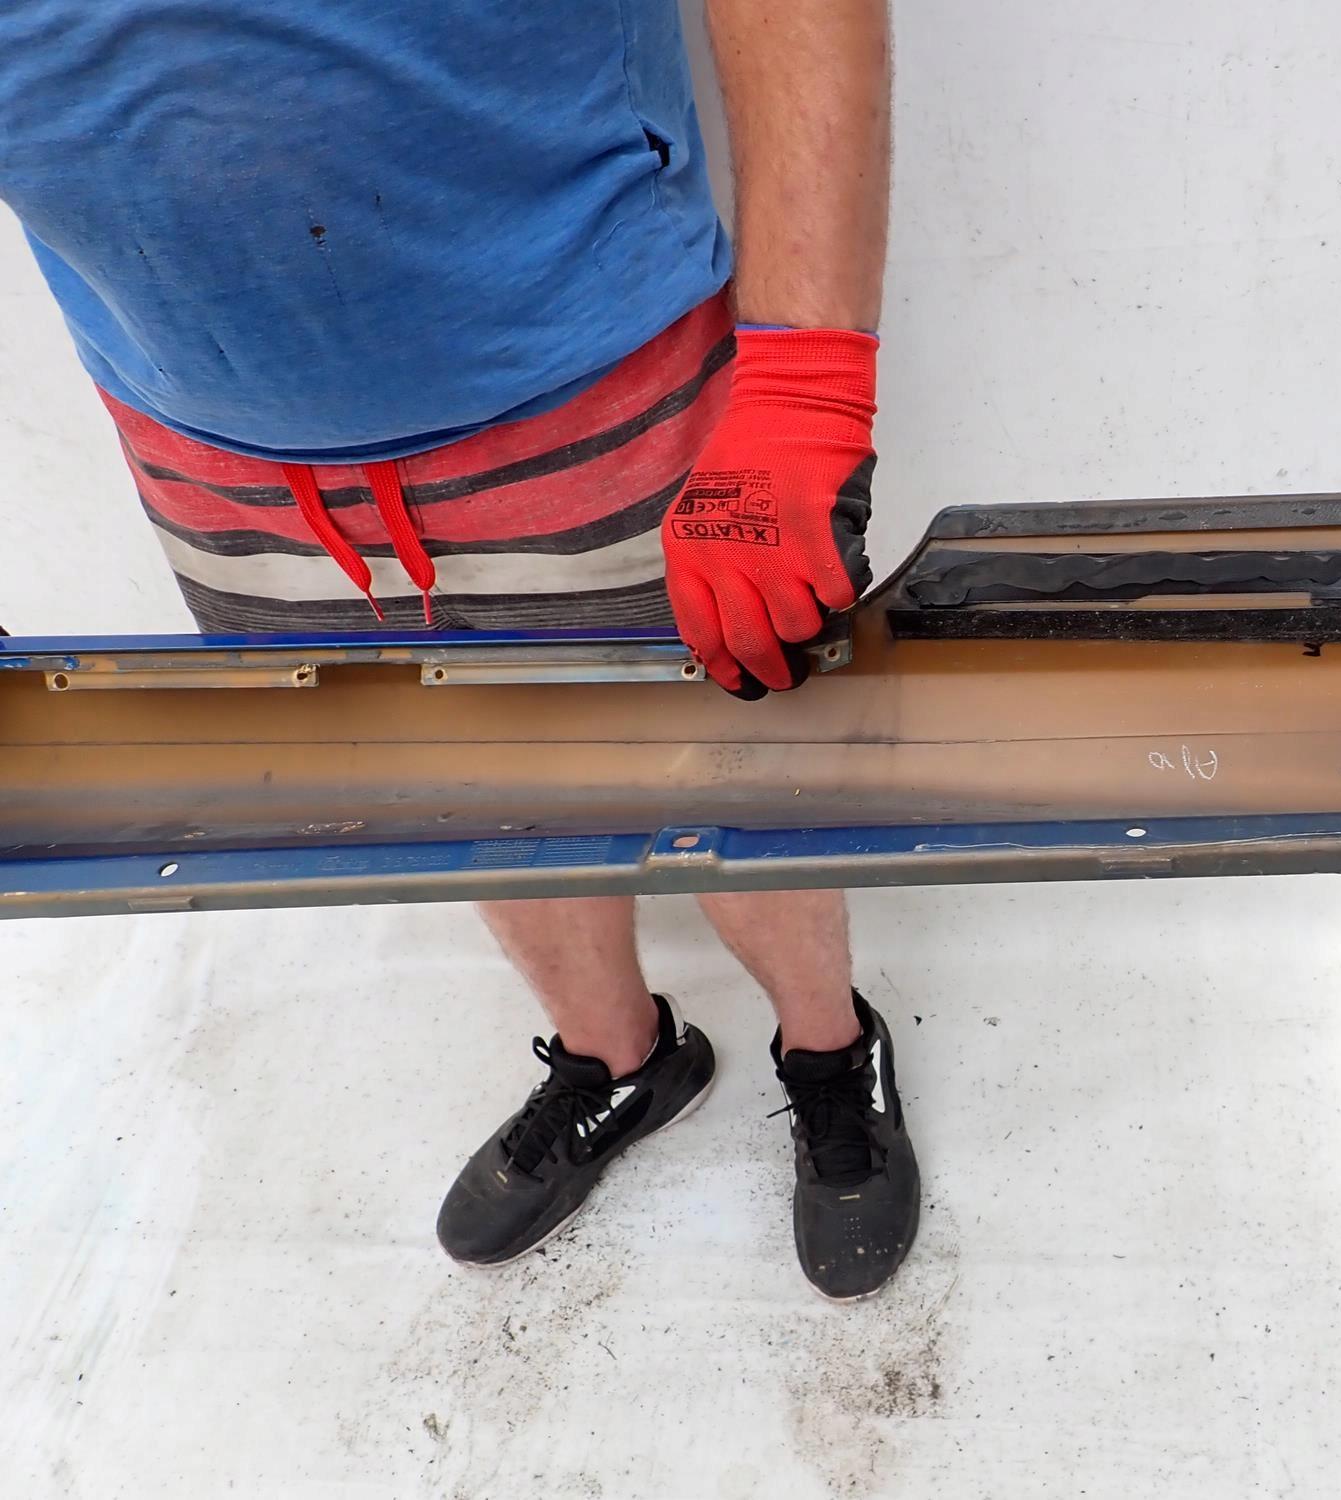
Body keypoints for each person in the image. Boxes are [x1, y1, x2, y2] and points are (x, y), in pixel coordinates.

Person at [0, 0, 919, 1300]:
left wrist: (802, 387)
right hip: (198, 419)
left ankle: (828, 1053)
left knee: (735, 774)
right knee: (459, 791)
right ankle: (620, 1061)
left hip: (588, 368)